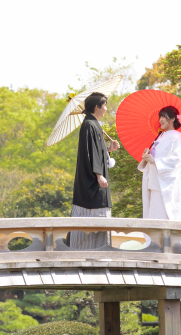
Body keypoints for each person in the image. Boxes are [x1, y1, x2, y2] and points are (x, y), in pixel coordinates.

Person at [70, 92, 120, 249]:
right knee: (89, 228)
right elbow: (89, 152)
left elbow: (97, 151)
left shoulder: (94, 124)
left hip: (97, 178)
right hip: (91, 182)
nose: (106, 109)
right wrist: (98, 174)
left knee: (99, 230)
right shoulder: (88, 125)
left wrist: (108, 150)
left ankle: (98, 253)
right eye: (104, 105)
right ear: (97, 107)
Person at [139, 106, 181, 221]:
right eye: (160, 117)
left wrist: (155, 161)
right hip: (154, 181)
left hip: (164, 184)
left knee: (163, 217)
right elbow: (156, 157)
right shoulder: (160, 136)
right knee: (154, 215)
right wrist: (147, 156)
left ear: (172, 119)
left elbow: (177, 159)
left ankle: (166, 239)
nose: (160, 120)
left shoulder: (175, 137)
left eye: (164, 116)